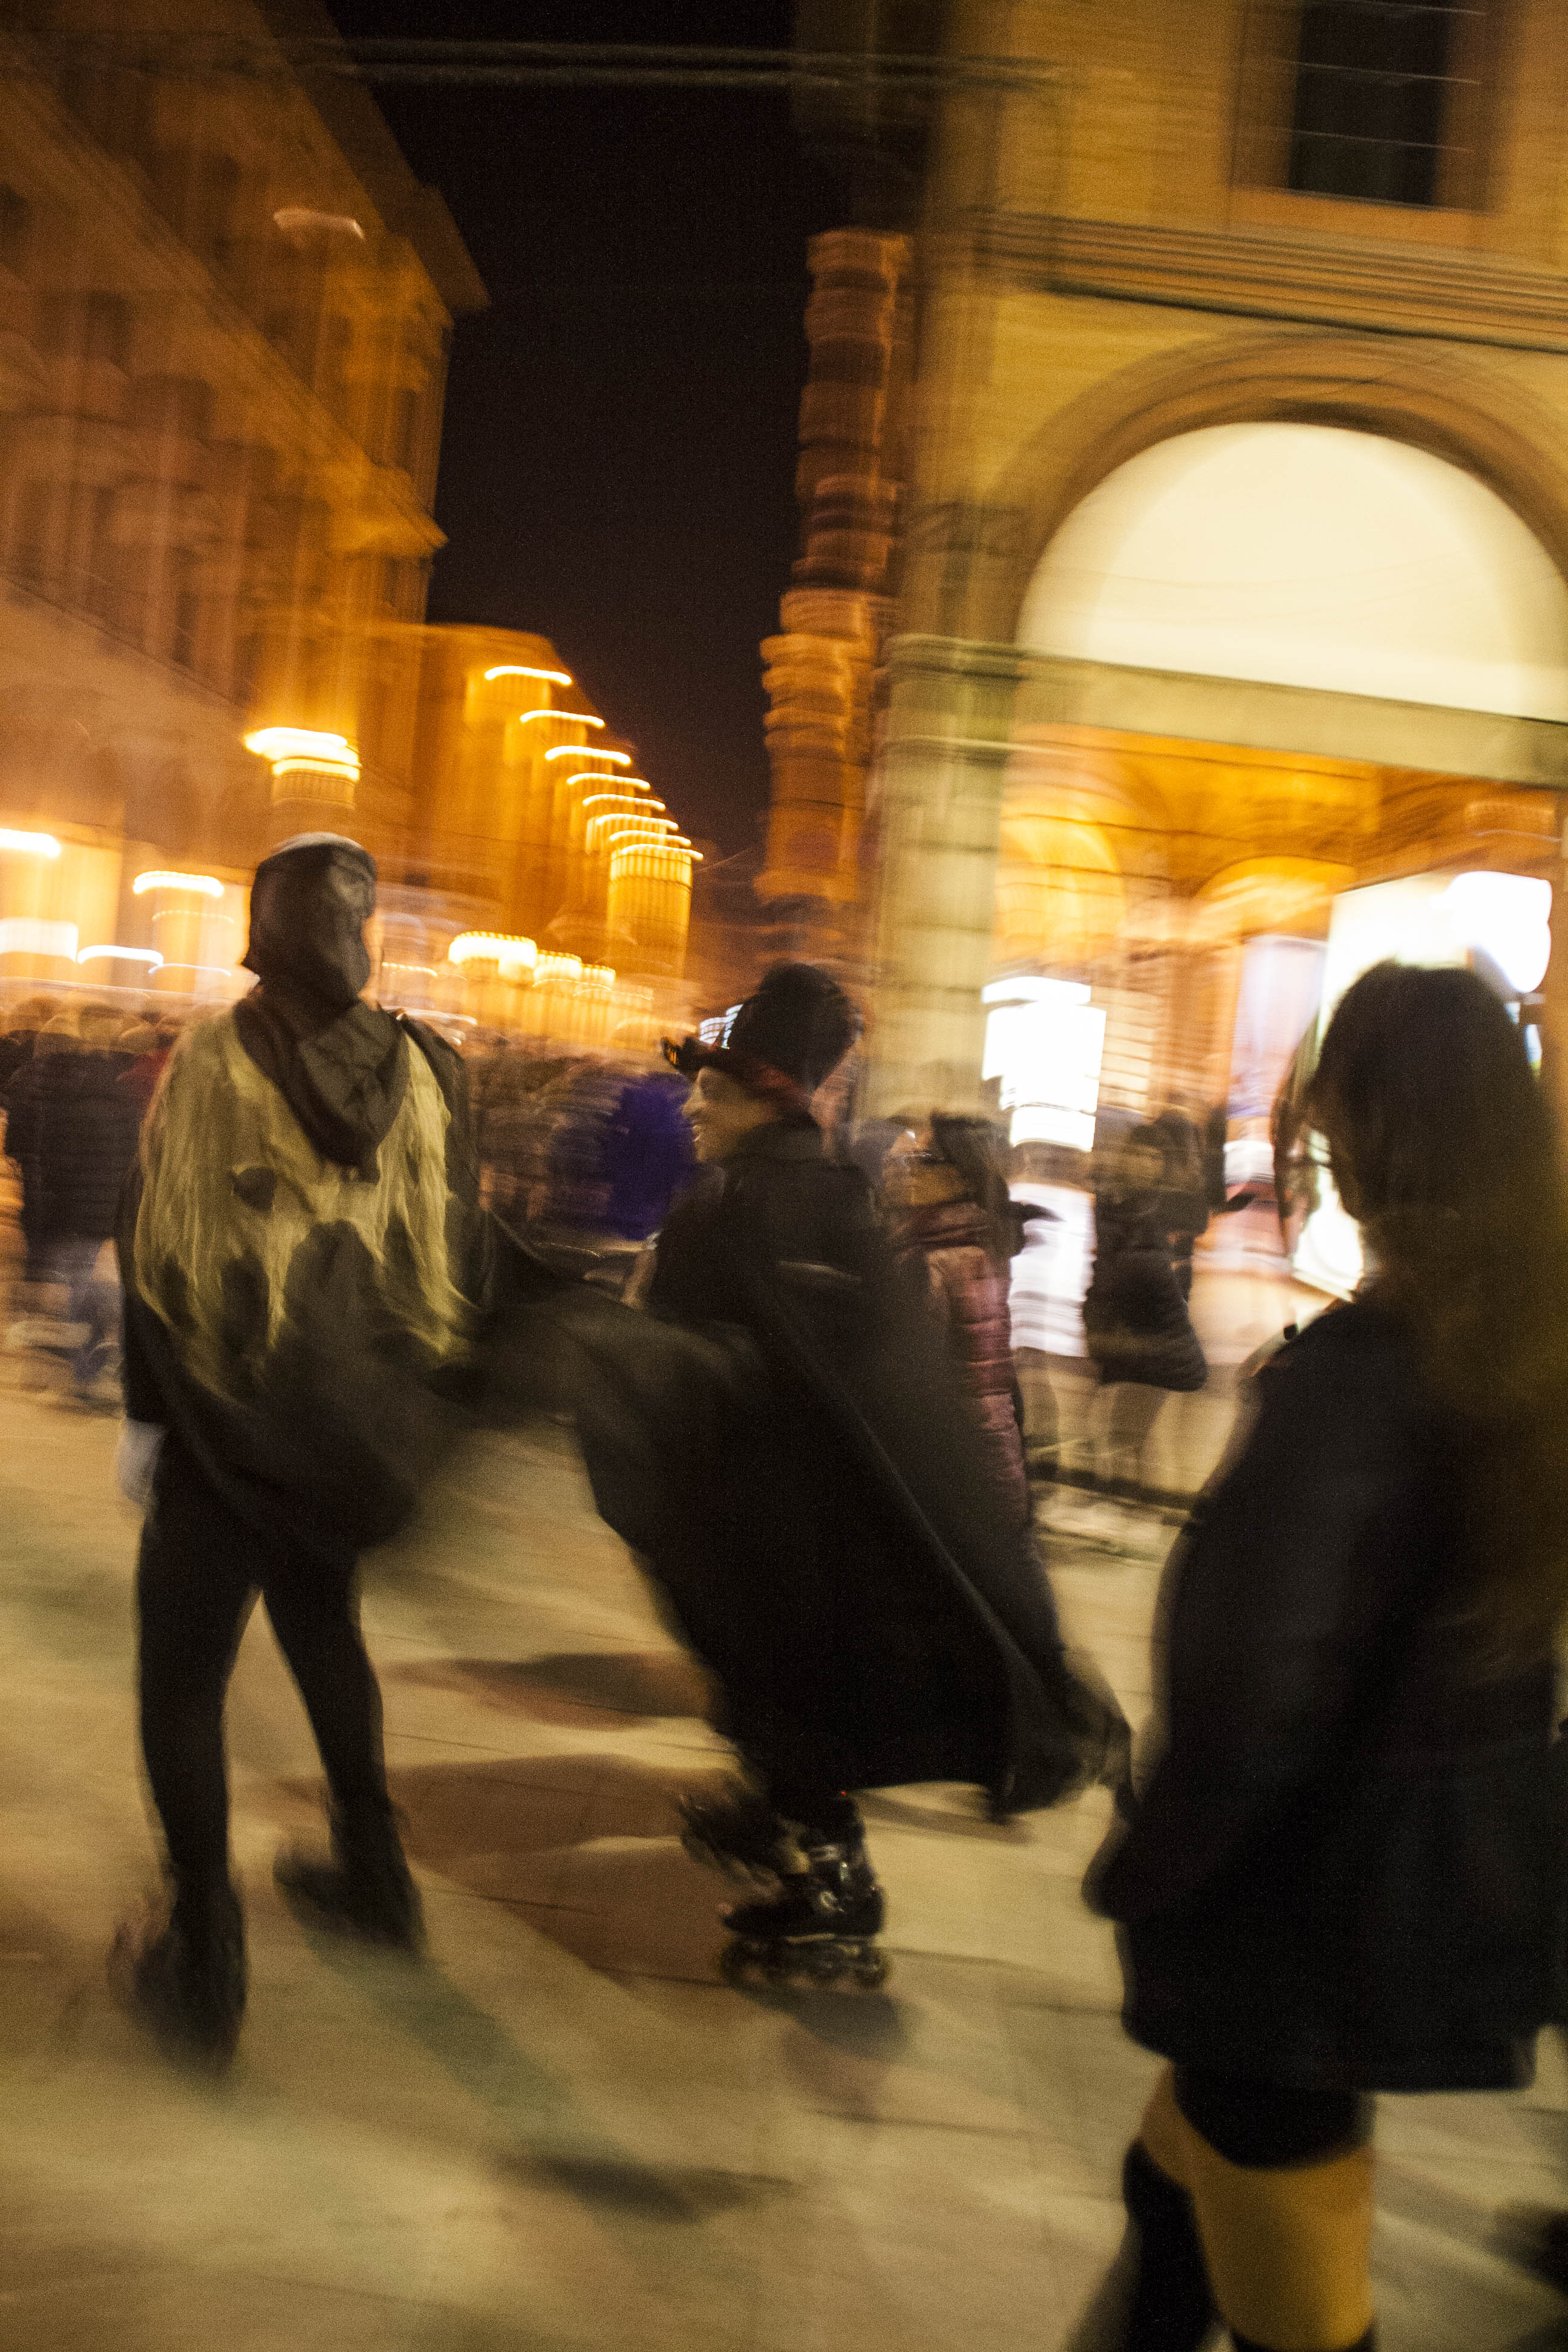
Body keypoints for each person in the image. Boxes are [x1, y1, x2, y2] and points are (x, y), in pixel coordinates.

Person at [1077, 962, 1568, 2352]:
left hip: (1294, 1919)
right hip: (1389, 1895)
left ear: (1356, 1132)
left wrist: (1148, 1870)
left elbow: (1250, 1704)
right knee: (1170, 2184)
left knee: (1299, 2307)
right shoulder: (1521, 1353)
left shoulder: (1364, 1387)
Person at [563, 962, 1126, 1985]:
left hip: (769, 1530)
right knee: (769, 1689)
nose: (697, 1102)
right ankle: (776, 1804)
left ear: (768, 1095)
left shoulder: (745, 1205)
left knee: (778, 1692)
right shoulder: (824, 1196)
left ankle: (833, 1883)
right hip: (797, 1522)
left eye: (717, 1085)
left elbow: (749, 1367)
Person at [111, 833, 492, 2062]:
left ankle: (204, 1953)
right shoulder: (427, 1067)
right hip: (338, 1431)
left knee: (182, 1680)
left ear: (268, 928)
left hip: (225, 1427)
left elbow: (157, 1250)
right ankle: (377, 1880)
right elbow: (448, 1256)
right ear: (363, 926)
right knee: (326, 1633)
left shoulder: (216, 1061)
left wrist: (146, 1417)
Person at [885, 1112, 1030, 1524]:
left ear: (961, 1176)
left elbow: (914, 1375)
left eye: (926, 1160)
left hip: (952, 1461)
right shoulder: (978, 1239)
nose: (910, 1169)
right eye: (910, 1159)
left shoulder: (934, 1258)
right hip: (986, 1449)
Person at [4, 1005, 142, 1401]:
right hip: (101, 1206)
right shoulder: (119, 1094)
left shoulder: (48, 1094)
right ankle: (85, 1358)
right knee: (82, 1276)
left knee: (60, 1276)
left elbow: (30, 1153)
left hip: (56, 1203)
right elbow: (131, 1155)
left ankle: (73, 1357)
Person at [1080, 1123, 1207, 1502]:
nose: (1145, 1163)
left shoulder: (1171, 1206)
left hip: (1156, 1323)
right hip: (1118, 1322)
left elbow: (1180, 1269)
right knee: (1115, 1423)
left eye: (1154, 1157)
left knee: (1134, 1427)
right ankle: (1121, 1498)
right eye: (1138, 1153)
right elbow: (1104, 1262)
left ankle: (1130, 1500)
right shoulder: (1109, 1201)